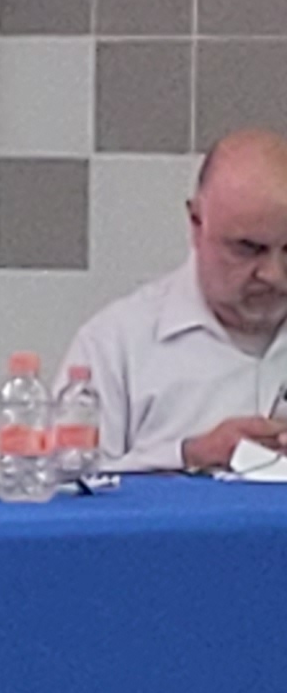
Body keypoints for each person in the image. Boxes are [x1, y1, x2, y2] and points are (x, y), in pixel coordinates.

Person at [59, 129, 287, 471]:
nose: (274, 275)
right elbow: (64, 486)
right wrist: (186, 456)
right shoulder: (115, 346)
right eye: (249, 249)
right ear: (196, 223)